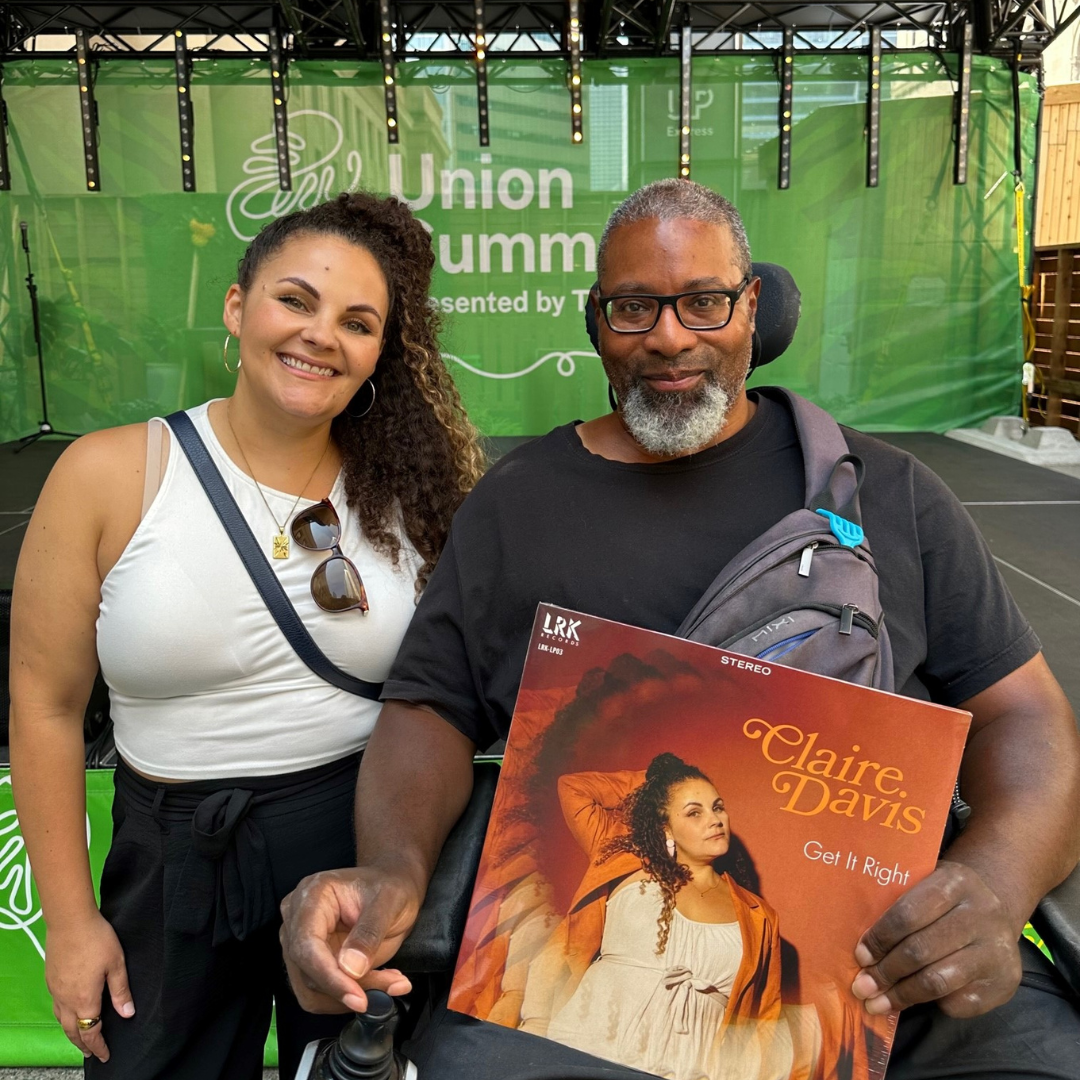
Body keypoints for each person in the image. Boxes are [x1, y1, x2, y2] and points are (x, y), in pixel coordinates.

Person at [280, 179, 1080, 1080]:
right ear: (596, 324)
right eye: (633, 308)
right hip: (589, 982)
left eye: (705, 301)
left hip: (874, 977)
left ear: (752, 311)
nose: (669, 337)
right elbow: (428, 707)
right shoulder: (519, 505)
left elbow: (1026, 716)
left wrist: (996, 884)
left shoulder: (886, 490)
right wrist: (392, 867)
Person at [8, 191, 484, 1080]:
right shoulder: (109, 472)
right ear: (236, 307)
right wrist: (71, 925)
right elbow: (45, 706)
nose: (319, 336)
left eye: (357, 321)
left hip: (359, 845)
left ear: (382, 350)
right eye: (294, 300)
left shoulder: (413, 499)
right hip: (173, 857)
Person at [538, 755, 784, 1080]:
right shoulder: (625, 861)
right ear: (665, 825)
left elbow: (763, 1020)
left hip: (688, 1070)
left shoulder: (759, 915)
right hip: (586, 1049)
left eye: (718, 807)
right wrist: (660, 783)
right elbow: (573, 788)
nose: (715, 820)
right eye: (694, 812)